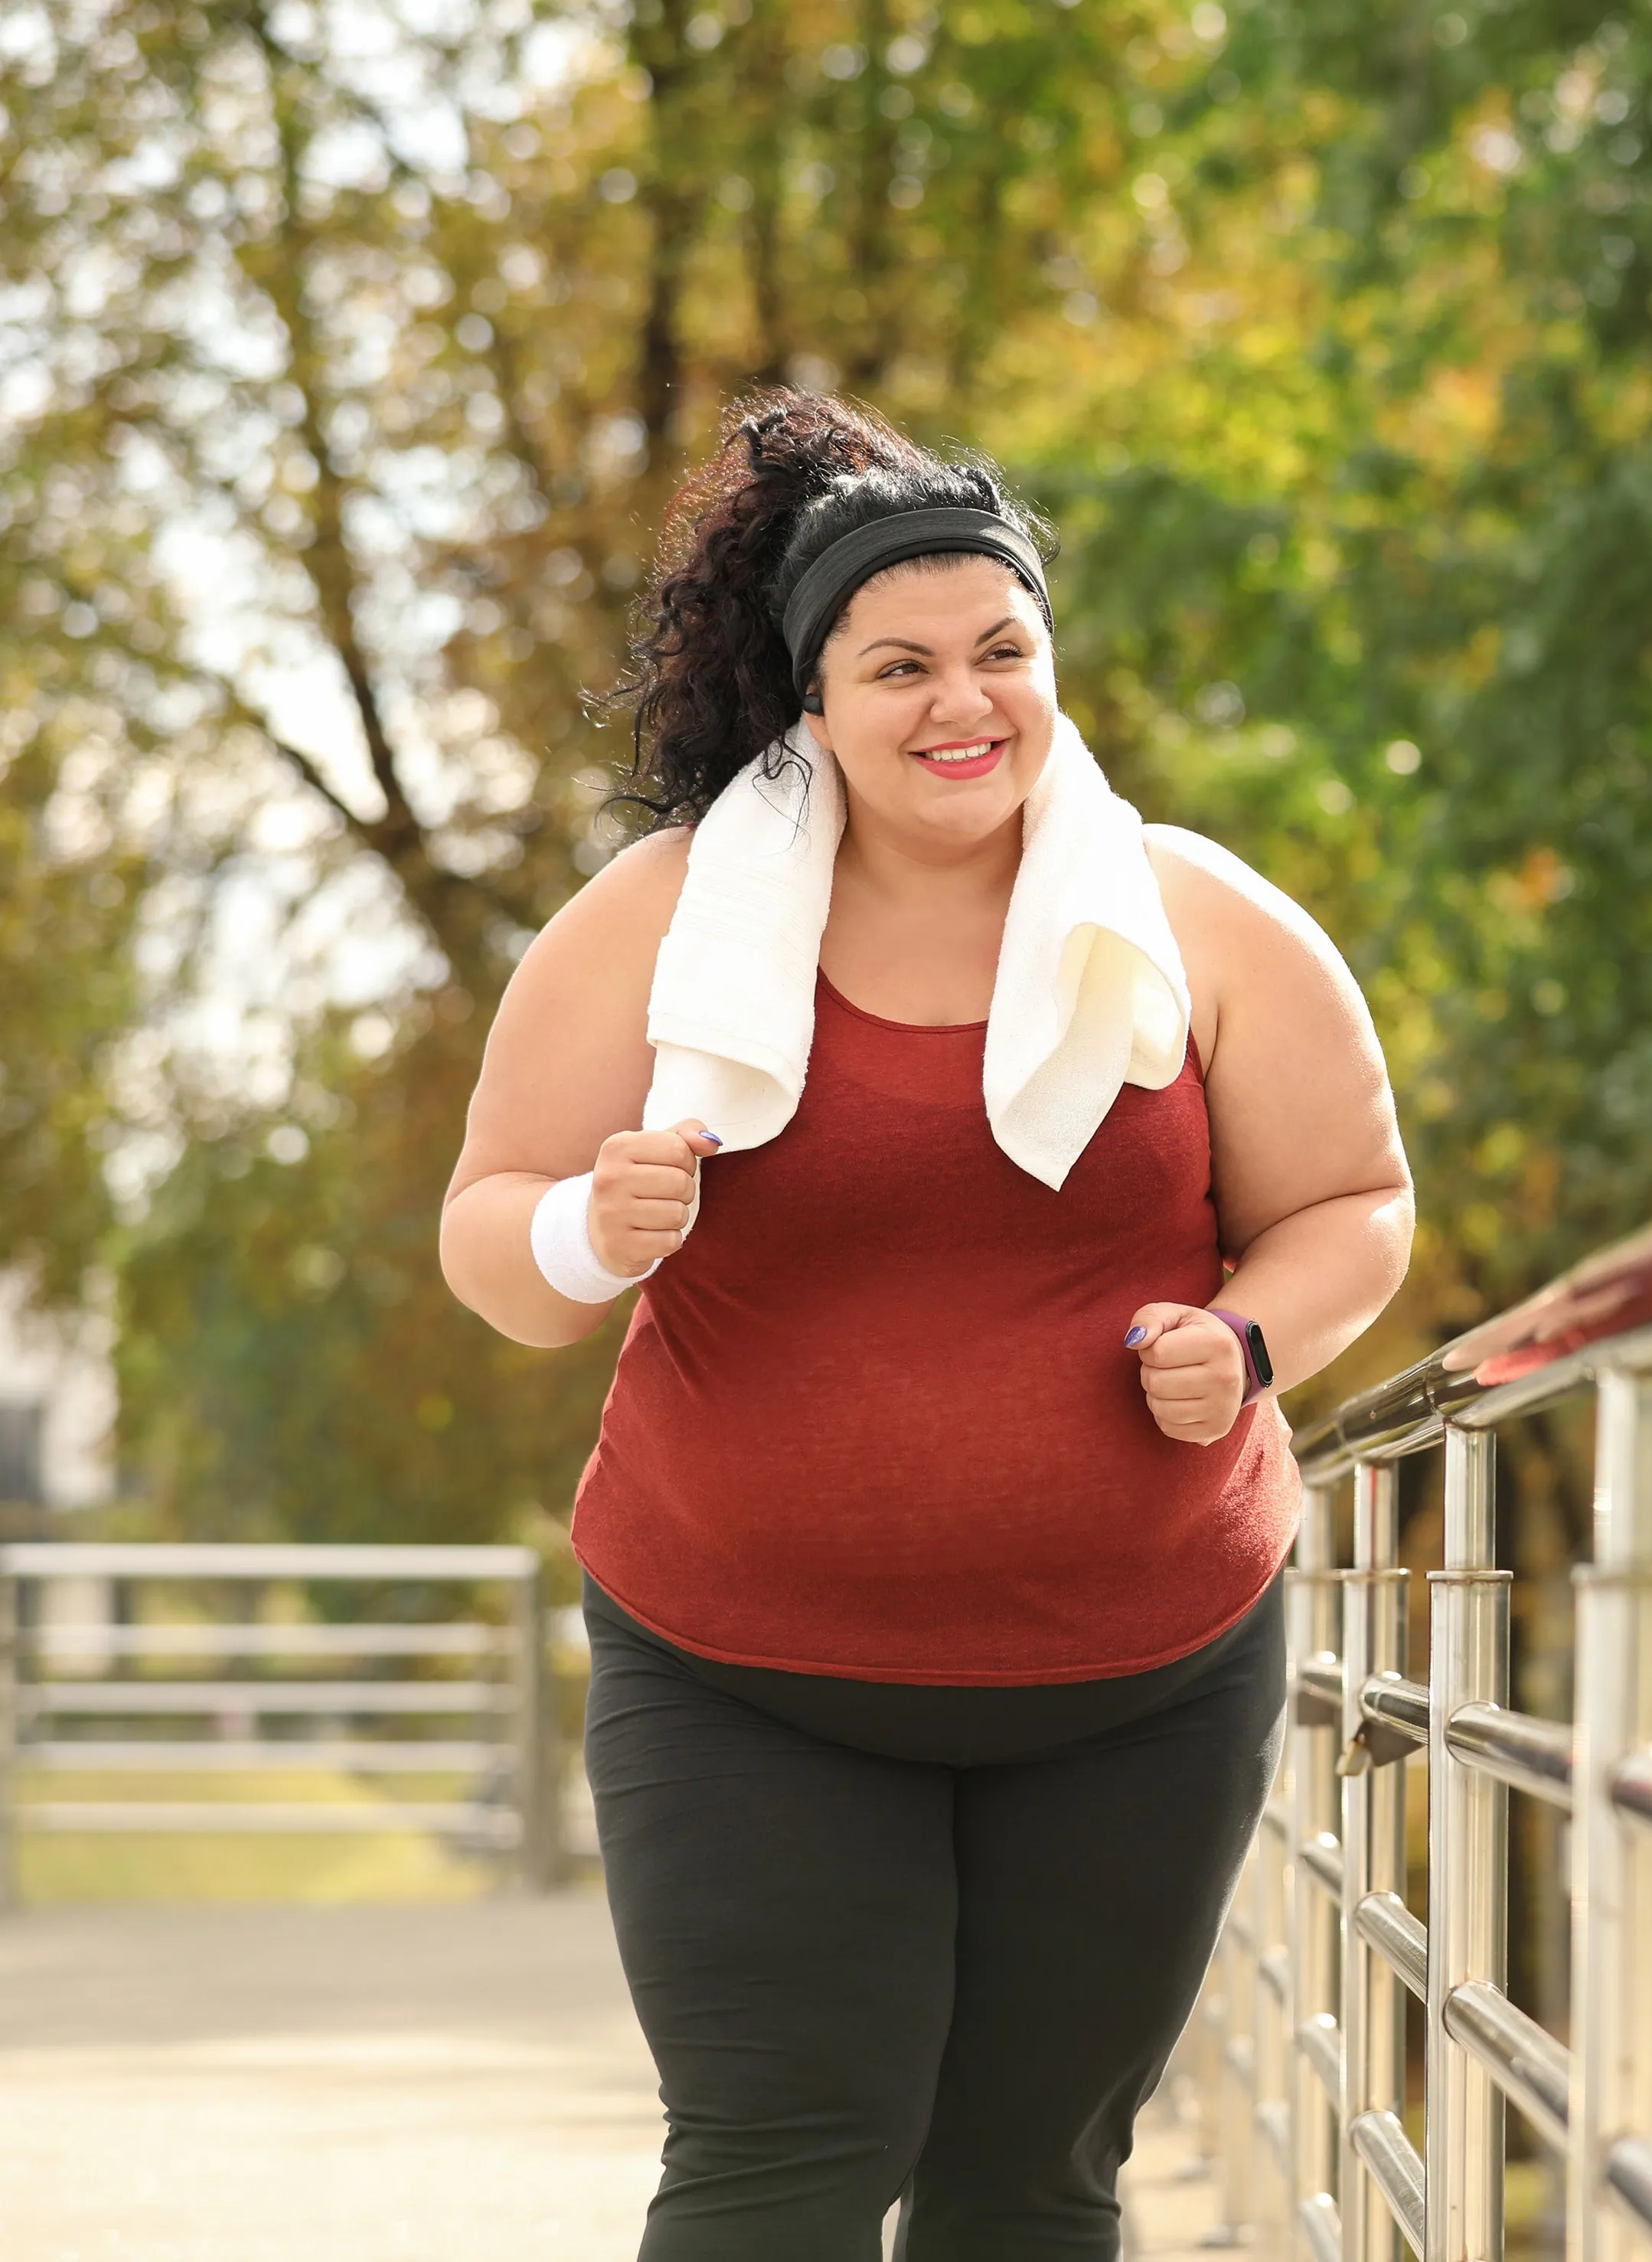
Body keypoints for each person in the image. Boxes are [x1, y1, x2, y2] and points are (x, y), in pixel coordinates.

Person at [440, 391, 1413, 2262]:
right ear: (810, 701)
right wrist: (588, 1221)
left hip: (1139, 1683)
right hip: (739, 1676)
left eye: (1000, 651)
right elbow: (493, 1247)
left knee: (1026, 2196)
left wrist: (1254, 1339)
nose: (961, 702)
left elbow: (1349, 1206)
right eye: (898, 665)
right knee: (776, 2168)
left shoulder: (1198, 920)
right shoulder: (658, 923)